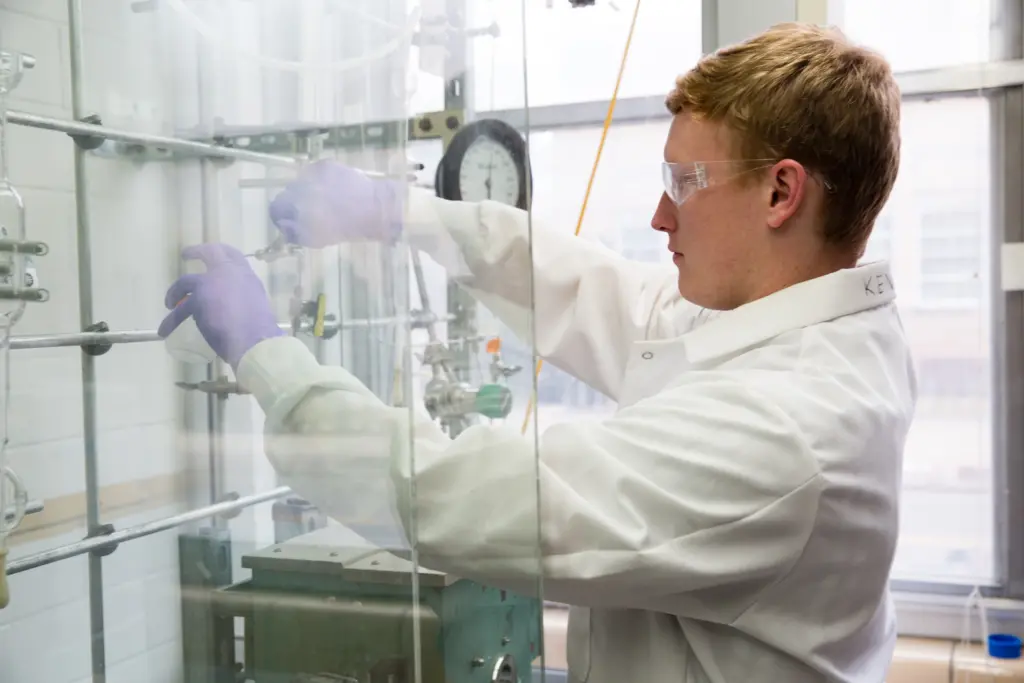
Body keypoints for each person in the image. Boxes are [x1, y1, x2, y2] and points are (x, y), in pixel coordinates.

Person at [158, 22, 915, 683]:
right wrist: (402, 213)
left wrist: (267, 355)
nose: (661, 215)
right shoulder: (809, 330)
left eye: (684, 182)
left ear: (781, 192)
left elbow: (463, 497)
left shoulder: (788, 425)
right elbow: (597, 294)